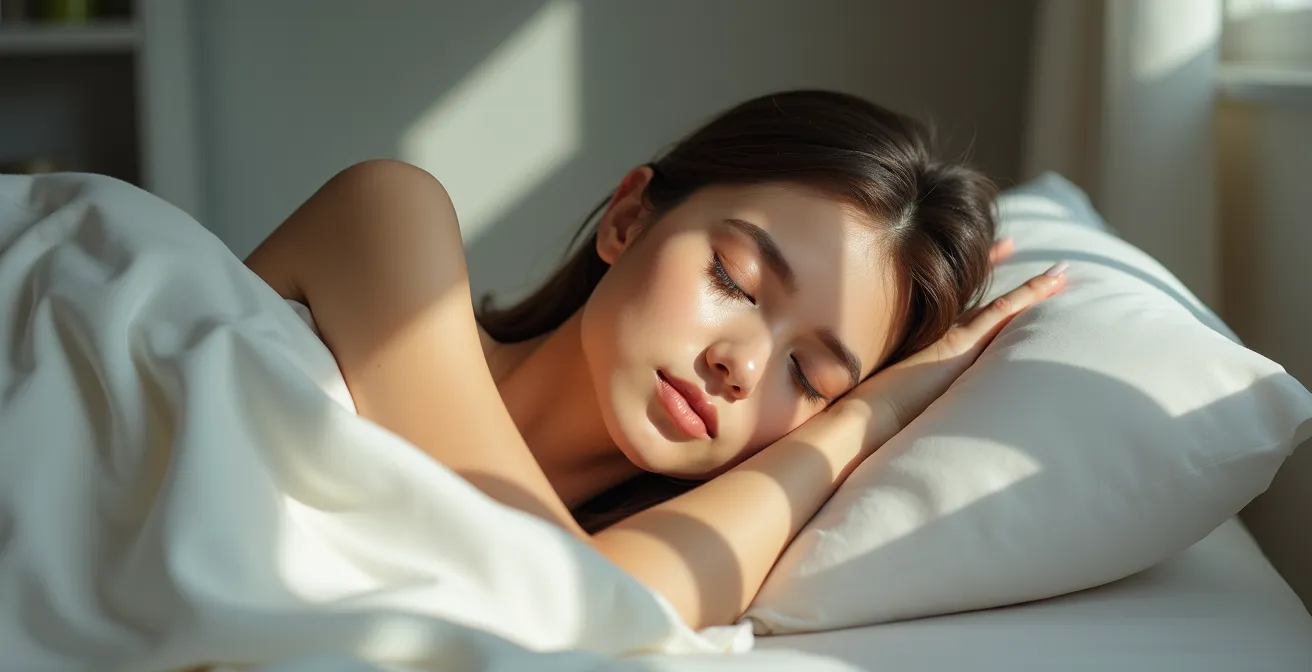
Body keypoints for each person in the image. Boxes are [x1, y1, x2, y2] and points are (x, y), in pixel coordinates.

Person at [244, 89, 1067, 630]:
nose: (740, 365)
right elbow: (571, 598)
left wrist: (868, 416)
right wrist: (859, 408)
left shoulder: (666, 550)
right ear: (629, 218)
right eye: (735, 280)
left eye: (808, 376)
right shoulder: (392, 222)